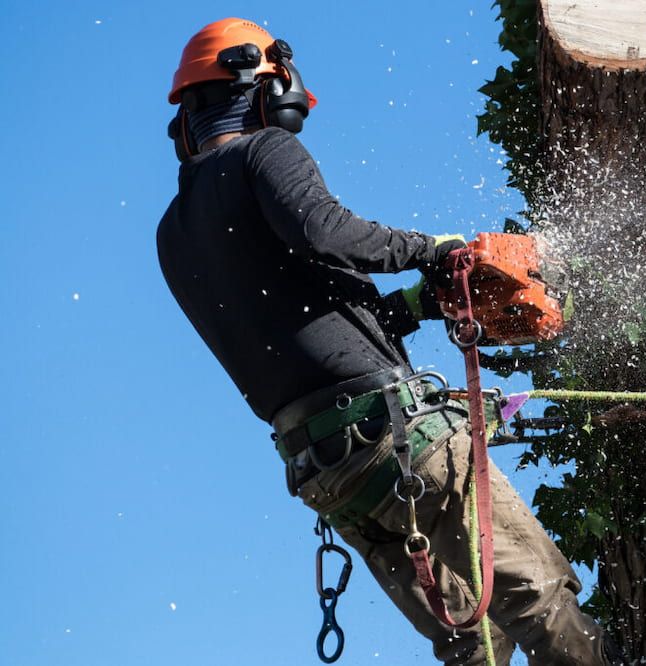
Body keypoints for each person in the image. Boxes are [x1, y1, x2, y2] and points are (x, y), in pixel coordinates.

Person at [157, 17, 614, 666]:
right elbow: (326, 231)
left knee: (475, 645)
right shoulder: (264, 153)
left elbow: (306, 318)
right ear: (264, 91)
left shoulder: (173, 234)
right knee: (540, 601)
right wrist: (436, 250)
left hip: (333, 474)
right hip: (400, 442)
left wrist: (419, 303)